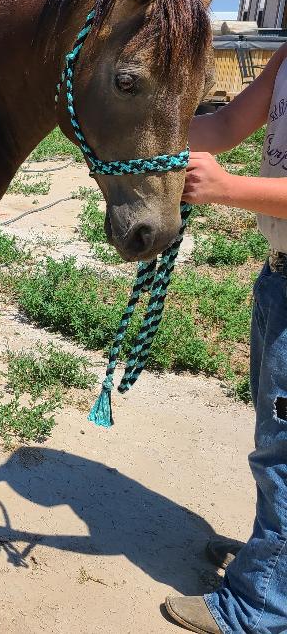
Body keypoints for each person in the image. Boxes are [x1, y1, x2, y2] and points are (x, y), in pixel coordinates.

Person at [164, 42, 287, 634]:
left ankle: (261, 609)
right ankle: (274, 564)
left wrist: (226, 189)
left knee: (283, 452)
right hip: (280, 274)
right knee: (275, 434)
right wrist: (141, 125)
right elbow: (227, 123)